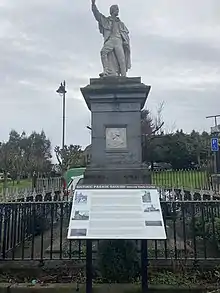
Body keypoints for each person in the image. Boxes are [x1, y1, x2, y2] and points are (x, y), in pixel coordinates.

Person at [91, 0, 131, 77]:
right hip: (111, 40)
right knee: (103, 52)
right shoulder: (106, 21)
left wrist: (126, 42)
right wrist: (93, 5)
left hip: (119, 41)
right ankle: (106, 71)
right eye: (116, 9)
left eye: (118, 9)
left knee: (121, 60)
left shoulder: (121, 23)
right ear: (112, 11)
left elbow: (125, 34)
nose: (118, 11)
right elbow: (97, 15)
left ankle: (124, 76)